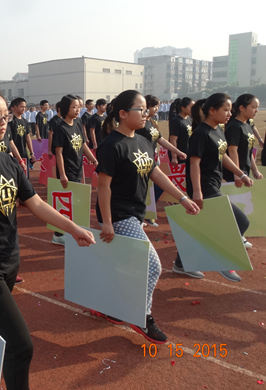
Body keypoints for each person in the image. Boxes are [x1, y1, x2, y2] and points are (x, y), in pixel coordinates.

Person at [0, 87, 95, 390]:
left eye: (5, 117)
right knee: (21, 345)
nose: (4, 123)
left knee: (0, 334)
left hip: (9, 260)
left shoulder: (8, 162)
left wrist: (73, 228)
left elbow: (36, 204)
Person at [96, 90, 199, 343]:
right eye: (140, 109)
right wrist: (107, 222)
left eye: (146, 109)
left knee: (122, 264)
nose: (147, 113)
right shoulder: (111, 146)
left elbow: (156, 173)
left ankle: (109, 306)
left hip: (135, 211)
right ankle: (141, 315)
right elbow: (103, 187)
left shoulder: (142, 140)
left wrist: (182, 197)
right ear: (122, 114)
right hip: (119, 215)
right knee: (151, 265)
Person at [179, 93, 253, 282]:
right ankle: (222, 260)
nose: (230, 113)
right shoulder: (200, 133)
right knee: (240, 221)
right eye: (226, 110)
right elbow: (194, 163)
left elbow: (223, 155)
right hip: (204, 187)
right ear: (212, 111)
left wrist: (241, 173)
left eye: (230, 110)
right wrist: (196, 191)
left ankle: (180, 263)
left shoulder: (218, 130)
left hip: (213, 184)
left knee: (201, 228)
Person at [51, 95, 97, 245]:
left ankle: (70, 231)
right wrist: (62, 174)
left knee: (76, 201)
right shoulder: (60, 128)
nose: (78, 110)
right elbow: (58, 153)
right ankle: (58, 235)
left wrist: (94, 160)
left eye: (79, 107)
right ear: (65, 108)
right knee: (66, 203)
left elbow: (83, 144)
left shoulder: (77, 123)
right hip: (67, 171)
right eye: (74, 107)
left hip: (78, 169)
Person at [136, 95, 188, 225]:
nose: (157, 109)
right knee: (142, 188)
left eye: (158, 106)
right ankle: (143, 216)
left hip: (152, 160)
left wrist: (177, 151)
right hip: (142, 161)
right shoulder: (139, 124)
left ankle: (146, 214)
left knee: (156, 187)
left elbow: (161, 139)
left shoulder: (151, 123)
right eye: (155, 106)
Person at [223, 94, 263, 186]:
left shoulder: (247, 125)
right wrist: (237, 174)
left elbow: (248, 150)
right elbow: (232, 151)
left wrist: (255, 170)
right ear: (242, 108)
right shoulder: (235, 127)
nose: (256, 111)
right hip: (235, 173)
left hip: (244, 171)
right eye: (254, 107)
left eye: (257, 107)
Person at [9, 98, 35, 170]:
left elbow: (27, 137)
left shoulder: (25, 121)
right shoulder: (10, 121)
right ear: (14, 107)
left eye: (24, 107)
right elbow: (9, 140)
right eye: (21, 107)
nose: (24, 109)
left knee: (25, 177)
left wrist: (31, 153)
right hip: (12, 154)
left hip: (23, 153)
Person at [169, 98, 194, 164]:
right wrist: (174, 157)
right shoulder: (176, 121)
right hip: (180, 155)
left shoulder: (189, 119)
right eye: (191, 107)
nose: (193, 109)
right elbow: (173, 140)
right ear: (183, 108)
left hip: (188, 153)